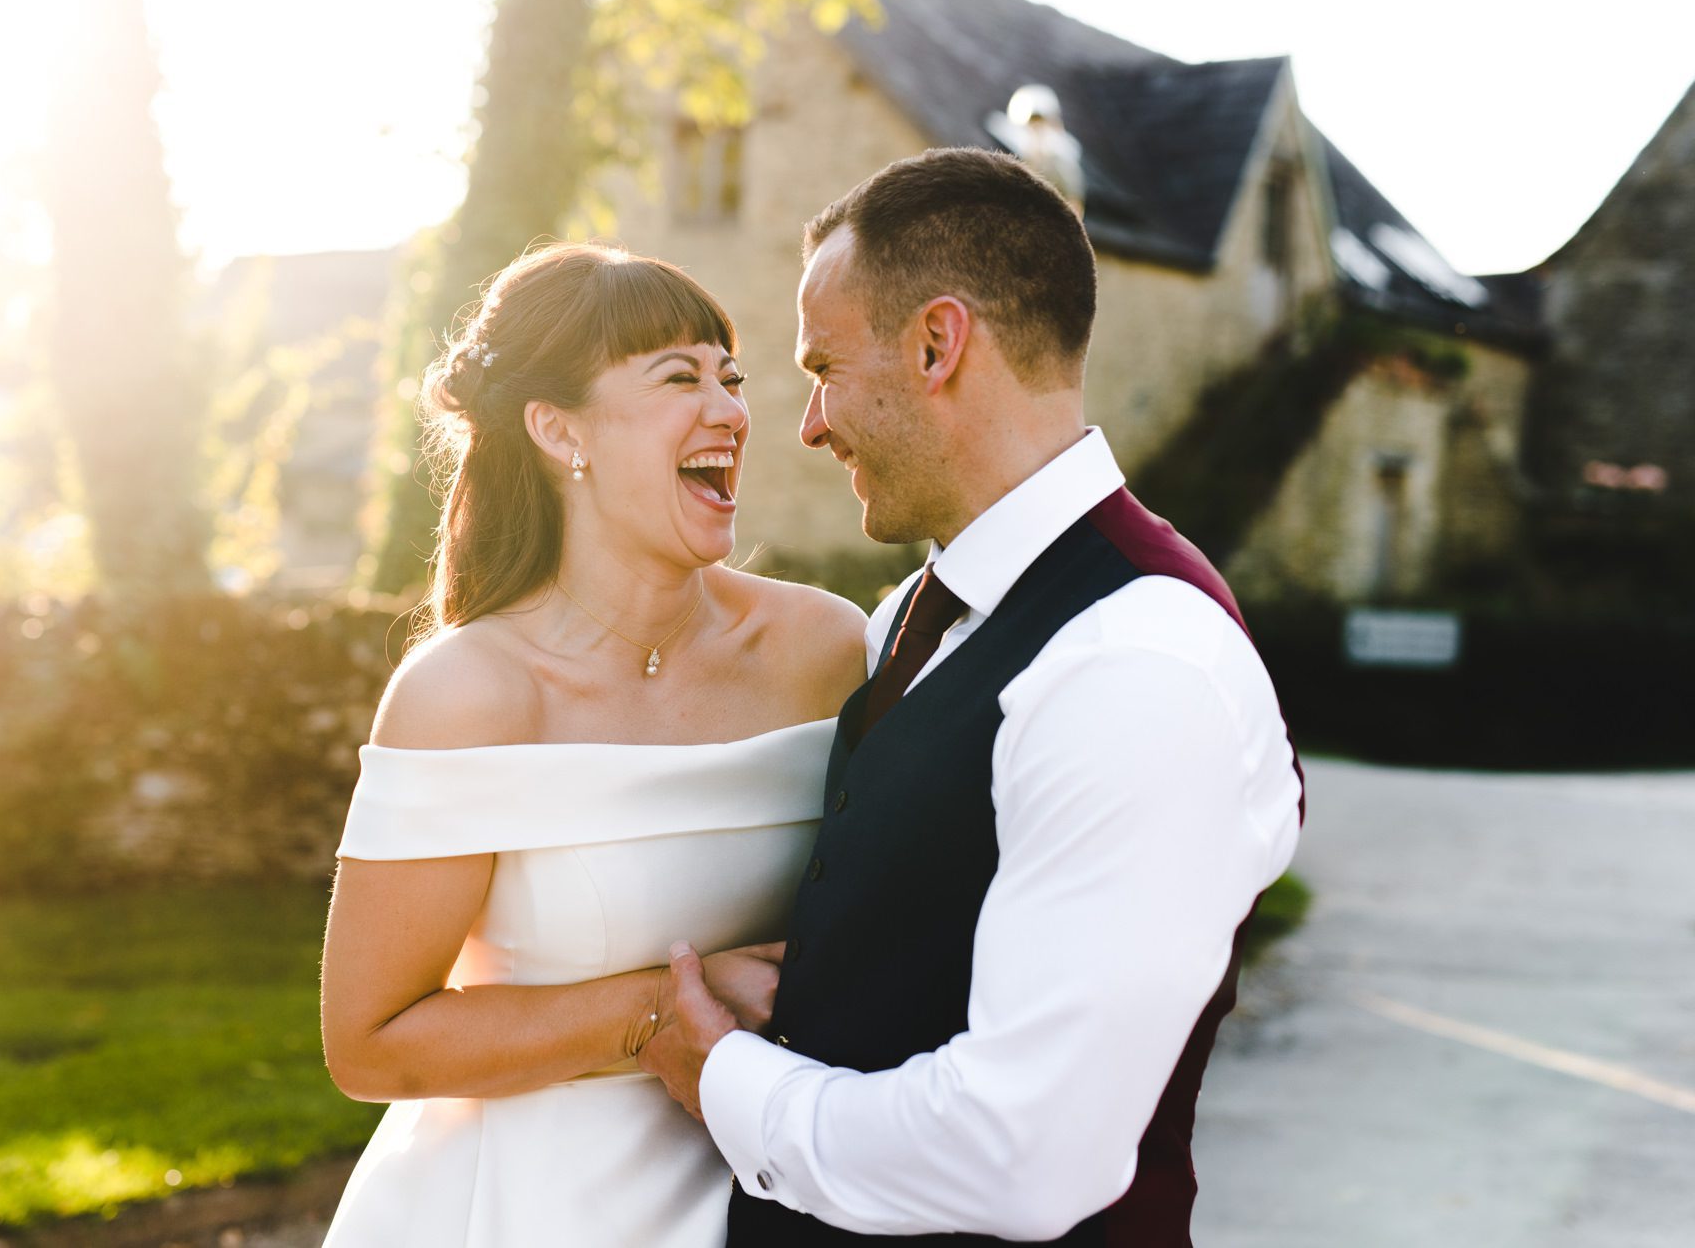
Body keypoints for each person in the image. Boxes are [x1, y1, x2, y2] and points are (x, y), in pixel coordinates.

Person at [637, 147, 1307, 1245]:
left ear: (936, 344)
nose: (807, 423)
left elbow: (1021, 1155)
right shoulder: (919, 605)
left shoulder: (1136, 662)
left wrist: (720, 1077)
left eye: (823, 367)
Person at [316, 242, 867, 1246]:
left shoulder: (827, 649)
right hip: (522, 1209)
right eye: (677, 377)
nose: (730, 410)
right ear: (556, 429)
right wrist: (660, 1012)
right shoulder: (465, 697)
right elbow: (368, 1042)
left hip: (792, 1193)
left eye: (728, 377)